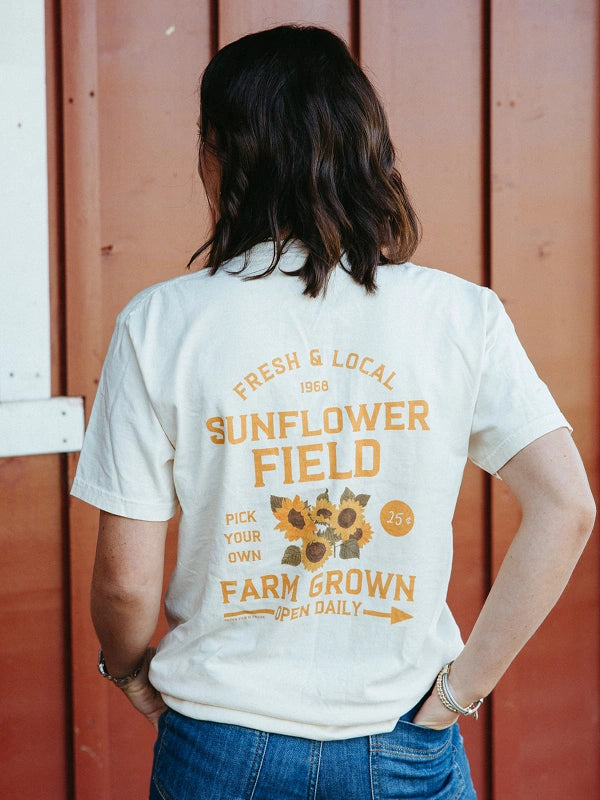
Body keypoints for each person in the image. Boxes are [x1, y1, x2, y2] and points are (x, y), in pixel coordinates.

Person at [71, 25, 595, 800]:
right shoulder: (459, 315)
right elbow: (568, 507)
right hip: (402, 739)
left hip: (220, 738)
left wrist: (127, 668)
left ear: (223, 154)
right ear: (365, 147)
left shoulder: (161, 324)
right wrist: (460, 692)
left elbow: (124, 583)